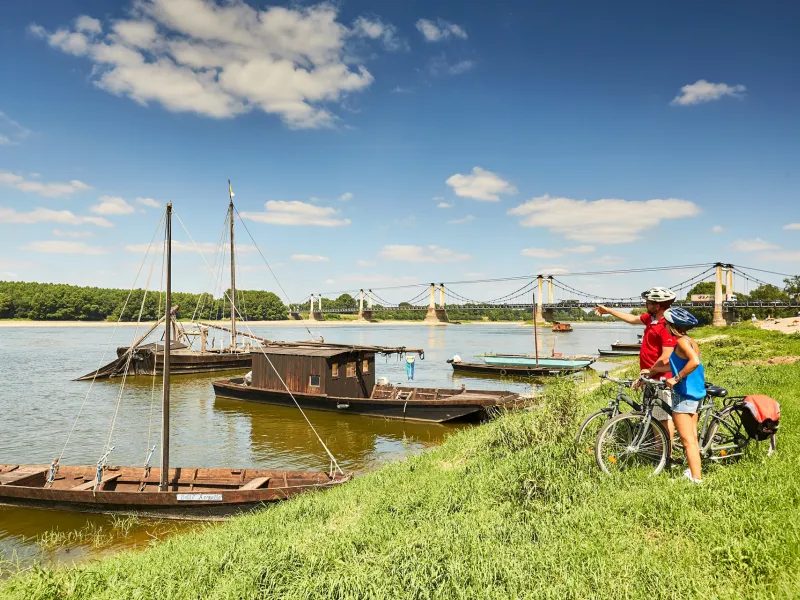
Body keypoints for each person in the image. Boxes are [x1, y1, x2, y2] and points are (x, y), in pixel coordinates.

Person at [596, 287, 677, 447]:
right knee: (653, 415)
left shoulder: (666, 325)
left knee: (663, 418)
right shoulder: (650, 319)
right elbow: (632, 319)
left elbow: (666, 357)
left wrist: (647, 375)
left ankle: (667, 456)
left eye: (648, 302)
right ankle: (658, 449)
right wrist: (608, 311)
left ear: (658, 305)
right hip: (649, 377)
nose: (645, 304)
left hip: (661, 379)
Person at [659, 307, 705, 483]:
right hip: (695, 394)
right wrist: (652, 371)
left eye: (666, 323)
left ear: (672, 326)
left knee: (688, 441)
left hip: (684, 395)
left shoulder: (681, 342)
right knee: (692, 438)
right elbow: (680, 363)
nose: (664, 326)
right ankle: (693, 473)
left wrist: (675, 379)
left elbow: (694, 362)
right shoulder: (691, 340)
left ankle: (696, 479)